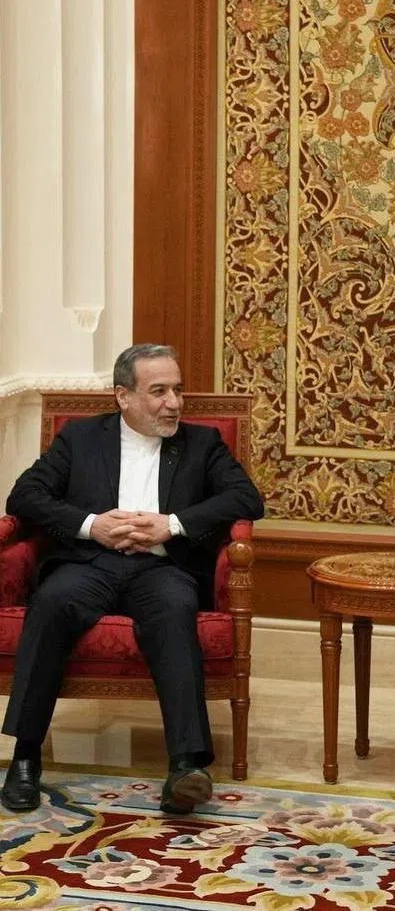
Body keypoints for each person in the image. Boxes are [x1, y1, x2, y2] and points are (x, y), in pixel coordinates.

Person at [1, 344, 264, 814]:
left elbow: (247, 499)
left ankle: (186, 766)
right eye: (158, 392)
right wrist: (91, 524)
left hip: (162, 567)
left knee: (174, 612)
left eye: (177, 391)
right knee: (52, 604)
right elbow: (25, 496)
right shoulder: (81, 438)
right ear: (123, 396)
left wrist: (173, 523)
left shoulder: (201, 444)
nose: (174, 403)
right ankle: (24, 761)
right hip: (87, 564)